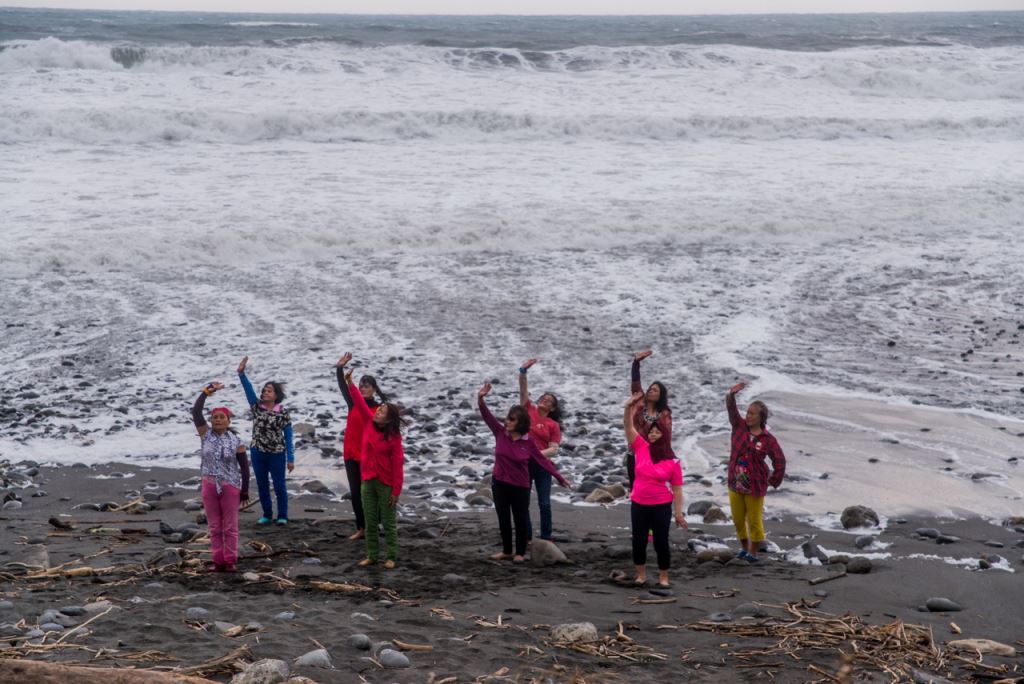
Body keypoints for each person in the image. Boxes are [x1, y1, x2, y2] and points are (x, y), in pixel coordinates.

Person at [478, 382, 569, 563]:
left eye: (512, 420)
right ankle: (506, 551)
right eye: (508, 419)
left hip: (520, 485)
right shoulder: (500, 433)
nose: (507, 422)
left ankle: (519, 552)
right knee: (503, 518)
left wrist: (559, 477)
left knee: (520, 518)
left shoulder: (528, 443)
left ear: (520, 423)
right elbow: (486, 416)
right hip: (500, 483)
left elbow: (543, 462)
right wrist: (480, 398)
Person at [344, 364, 405, 569]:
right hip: (368, 481)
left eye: (382, 411)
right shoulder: (370, 423)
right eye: (379, 409)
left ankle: (391, 556)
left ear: (389, 418)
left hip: (386, 483)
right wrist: (350, 383)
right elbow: (360, 403)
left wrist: (396, 491)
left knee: (388, 522)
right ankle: (372, 555)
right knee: (370, 521)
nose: (378, 411)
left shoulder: (394, 437)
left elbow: (398, 466)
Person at [622, 391, 685, 587]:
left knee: (660, 542)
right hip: (639, 503)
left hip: (661, 506)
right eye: (651, 432)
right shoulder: (641, 447)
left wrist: (678, 513)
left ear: (664, 435)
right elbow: (628, 427)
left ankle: (663, 577)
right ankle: (640, 575)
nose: (654, 434)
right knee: (639, 540)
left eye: (658, 432)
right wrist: (628, 407)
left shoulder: (673, 461)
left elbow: (677, 490)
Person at [191, 382, 250, 573]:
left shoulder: (236, 441)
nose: (217, 420)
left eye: (221, 417)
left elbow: (244, 467)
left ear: (228, 421)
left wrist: (245, 490)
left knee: (230, 527)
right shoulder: (205, 434)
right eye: (214, 417)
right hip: (209, 485)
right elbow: (196, 412)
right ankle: (217, 561)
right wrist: (206, 391)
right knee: (215, 526)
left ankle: (230, 561)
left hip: (230, 486)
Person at [725, 382, 786, 562]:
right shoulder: (739, 427)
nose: (748, 416)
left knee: (754, 520)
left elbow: (780, 460)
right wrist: (732, 395)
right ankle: (744, 548)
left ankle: (753, 552)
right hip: (734, 483)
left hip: (755, 485)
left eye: (752, 414)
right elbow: (731, 410)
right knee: (737, 519)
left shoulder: (768, 439)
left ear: (761, 417)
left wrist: (773, 480)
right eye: (747, 413)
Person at [335, 352, 388, 541]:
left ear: (374, 389)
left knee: (372, 491)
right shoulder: (353, 403)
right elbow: (343, 387)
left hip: (370, 456)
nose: (364, 388)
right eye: (361, 386)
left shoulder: (381, 409)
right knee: (356, 492)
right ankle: (361, 528)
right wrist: (339, 368)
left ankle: (378, 523)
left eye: (367, 386)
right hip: (351, 454)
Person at [237, 356, 294, 525]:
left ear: (276, 395)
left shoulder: (283, 412)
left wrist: (290, 458)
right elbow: (249, 391)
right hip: (257, 452)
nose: (264, 393)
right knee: (262, 485)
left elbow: (289, 436)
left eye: (269, 390)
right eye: (264, 390)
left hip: (277, 454)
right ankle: (267, 514)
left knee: (279, 486)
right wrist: (241, 374)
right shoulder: (256, 408)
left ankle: (282, 515)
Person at [517, 358, 562, 542]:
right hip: (525, 464)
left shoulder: (553, 424)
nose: (545, 400)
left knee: (544, 502)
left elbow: (554, 450)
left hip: (543, 466)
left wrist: (536, 454)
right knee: (523, 502)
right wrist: (523, 371)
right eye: (543, 397)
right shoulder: (528, 410)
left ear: (552, 408)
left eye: (549, 400)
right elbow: (522, 389)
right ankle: (526, 536)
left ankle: (546, 536)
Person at [626, 350, 674, 489]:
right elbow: (635, 384)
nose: (651, 391)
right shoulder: (640, 404)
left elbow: (666, 437)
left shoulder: (664, 413)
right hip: (634, 454)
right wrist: (636, 363)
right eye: (650, 389)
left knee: (653, 490)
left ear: (661, 396)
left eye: (655, 390)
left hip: (654, 457)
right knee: (636, 489)